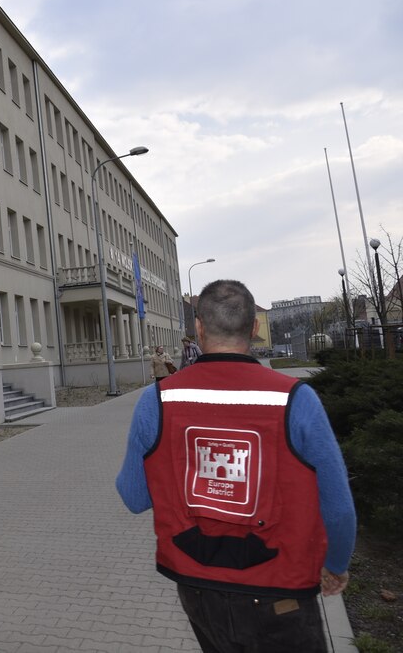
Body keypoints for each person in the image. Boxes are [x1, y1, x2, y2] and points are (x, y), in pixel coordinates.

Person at [116, 279, 356, 653]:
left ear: (198, 327)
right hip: (281, 590)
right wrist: (336, 564)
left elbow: (133, 496)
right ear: (255, 328)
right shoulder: (296, 398)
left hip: (199, 585)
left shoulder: (157, 400)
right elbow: (338, 507)